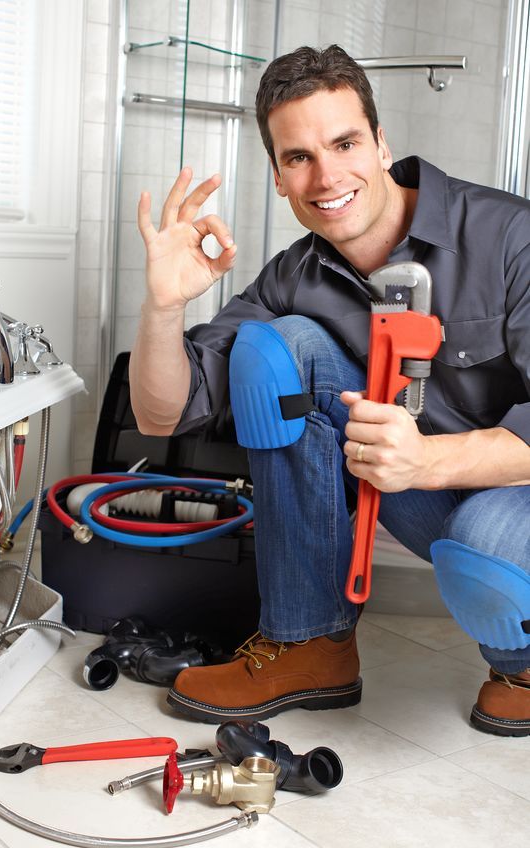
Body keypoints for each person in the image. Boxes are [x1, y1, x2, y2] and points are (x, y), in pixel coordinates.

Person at [129, 45, 530, 735]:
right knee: (277, 349)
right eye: (298, 157)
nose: (326, 176)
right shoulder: (294, 278)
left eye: (344, 144)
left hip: (509, 497)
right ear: (279, 176)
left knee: (484, 541)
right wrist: (163, 307)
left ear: (380, 144)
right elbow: (161, 413)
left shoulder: (510, 235)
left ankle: (522, 665)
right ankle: (310, 643)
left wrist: (426, 460)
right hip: (418, 490)